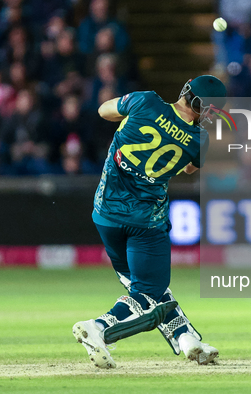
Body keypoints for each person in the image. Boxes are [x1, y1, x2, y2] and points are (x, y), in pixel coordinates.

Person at [72, 75, 227, 368]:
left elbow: (104, 110)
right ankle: (99, 327)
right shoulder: (199, 140)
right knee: (149, 292)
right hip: (145, 224)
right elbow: (191, 168)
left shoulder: (146, 100)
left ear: (185, 88)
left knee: (146, 285)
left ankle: (187, 339)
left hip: (105, 215)